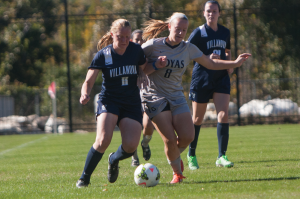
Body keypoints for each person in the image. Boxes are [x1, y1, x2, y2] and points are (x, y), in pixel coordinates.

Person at [140, 12, 250, 184]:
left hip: (176, 96)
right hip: (154, 96)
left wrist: (235, 63)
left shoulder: (188, 48)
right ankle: (177, 173)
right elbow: (137, 63)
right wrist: (154, 65)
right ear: (169, 27)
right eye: (177, 29)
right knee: (169, 139)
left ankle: (174, 156)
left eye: (184, 30)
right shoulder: (153, 45)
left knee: (188, 135)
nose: (181, 33)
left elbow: (211, 63)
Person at [76, 19, 147, 188]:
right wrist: (84, 93)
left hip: (131, 102)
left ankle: (113, 159)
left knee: (130, 146)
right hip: (110, 100)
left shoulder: (136, 50)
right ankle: (84, 178)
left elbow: (145, 67)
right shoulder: (103, 54)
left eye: (127, 37)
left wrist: (143, 71)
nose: (124, 41)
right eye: (120, 37)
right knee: (102, 140)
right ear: (112, 35)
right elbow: (88, 80)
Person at [187, 0, 235, 170]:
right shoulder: (198, 33)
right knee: (197, 119)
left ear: (219, 13)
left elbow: (227, 50)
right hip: (202, 78)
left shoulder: (225, 32)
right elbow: (187, 51)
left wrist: (228, 63)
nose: (211, 14)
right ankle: (191, 154)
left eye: (214, 11)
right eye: (208, 11)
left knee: (223, 114)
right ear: (204, 13)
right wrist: (206, 58)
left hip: (221, 77)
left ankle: (222, 156)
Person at [129, 29, 155, 167]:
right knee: (134, 128)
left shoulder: (149, 56)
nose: (140, 42)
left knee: (148, 126)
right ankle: (134, 157)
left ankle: (145, 144)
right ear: (132, 41)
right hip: (131, 96)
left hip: (147, 95)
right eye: (137, 39)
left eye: (142, 40)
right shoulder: (128, 55)